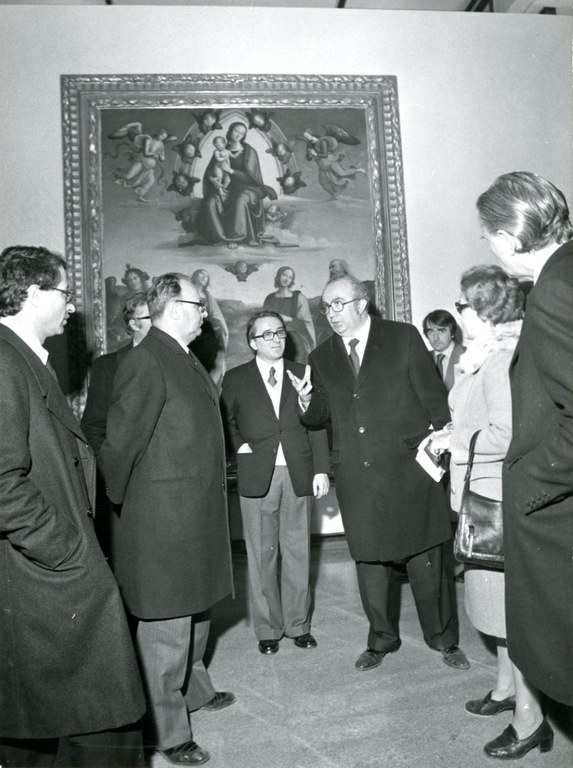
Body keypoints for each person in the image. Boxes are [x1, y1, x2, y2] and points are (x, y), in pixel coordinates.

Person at [0, 245, 145, 767]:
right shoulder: (4, 361)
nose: (71, 307)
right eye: (64, 294)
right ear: (34, 294)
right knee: (102, 718)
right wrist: (68, 551)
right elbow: (1, 483)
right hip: (47, 574)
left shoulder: (21, 358)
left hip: (45, 574)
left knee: (40, 723)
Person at [288, 273, 469, 673]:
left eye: (338, 303)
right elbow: (320, 417)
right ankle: (381, 639)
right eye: (326, 306)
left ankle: (443, 638)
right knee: (369, 561)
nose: (331, 313)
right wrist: (306, 402)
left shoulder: (402, 337)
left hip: (411, 469)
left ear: (361, 303)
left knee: (426, 558)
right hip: (357, 473)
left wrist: (445, 456)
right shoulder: (321, 357)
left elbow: (435, 401)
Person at [99, 273, 235, 767]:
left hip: (192, 517)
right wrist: (126, 510)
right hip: (164, 523)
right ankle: (167, 733)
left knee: (197, 618)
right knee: (166, 631)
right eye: (200, 305)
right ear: (175, 306)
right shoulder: (146, 359)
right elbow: (119, 447)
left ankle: (194, 692)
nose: (205, 313)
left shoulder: (180, 355)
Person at [430, 266, 552, 759]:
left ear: (484, 311)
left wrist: (451, 441)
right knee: (493, 608)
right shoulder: (481, 358)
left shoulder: (502, 361)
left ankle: (531, 718)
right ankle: (505, 689)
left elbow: (509, 434)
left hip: (495, 502)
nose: (457, 312)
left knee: (508, 613)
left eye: (462, 304)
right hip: (480, 496)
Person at [476, 171, 573, 709]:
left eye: (487, 234)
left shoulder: (554, 291)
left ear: (510, 238)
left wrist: (530, 481)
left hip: (558, 513)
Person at [221, 311, 330, 655]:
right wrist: (240, 446)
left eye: (280, 333)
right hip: (258, 474)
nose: (276, 339)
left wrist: (321, 470)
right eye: (266, 335)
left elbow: (318, 424)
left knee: (298, 553)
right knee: (261, 555)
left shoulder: (303, 374)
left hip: (298, 472)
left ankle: (299, 625)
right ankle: (268, 629)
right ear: (252, 342)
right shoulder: (236, 377)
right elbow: (226, 421)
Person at [81, 291, 151, 563]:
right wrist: (112, 471)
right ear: (133, 324)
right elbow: (93, 426)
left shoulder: (181, 362)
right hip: (123, 486)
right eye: (151, 318)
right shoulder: (107, 367)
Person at [198, 121, 277, 247]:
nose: (238, 135)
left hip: (247, 188)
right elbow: (211, 170)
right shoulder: (221, 149)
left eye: (242, 133)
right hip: (225, 186)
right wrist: (213, 180)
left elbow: (250, 178)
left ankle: (237, 237)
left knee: (240, 199)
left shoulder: (249, 152)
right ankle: (218, 237)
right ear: (230, 131)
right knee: (210, 201)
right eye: (236, 131)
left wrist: (230, 171)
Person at [263, 266, 316, 363]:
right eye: (284, 275)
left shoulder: (299, 298)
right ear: (278, 276)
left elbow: (306, 325)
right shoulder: (269, 299)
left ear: (292, 281)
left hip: (295, 341)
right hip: (273, 340)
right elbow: (263, 322)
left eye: (290, 277)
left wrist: (288, 319)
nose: (286, 279)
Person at [190, 268, 229, 388]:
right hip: (192, 330)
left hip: (205, 332)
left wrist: (218, 325)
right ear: (194, 276)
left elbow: (215, 315)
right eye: (201, 274)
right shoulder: (188, 292)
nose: (203, 277)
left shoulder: (207, 295)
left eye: (206, 276)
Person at [422, 309, 464, 392]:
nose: (436, 338)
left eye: (441, 331)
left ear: (452, 333)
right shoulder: (421, 359)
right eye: (431, 331)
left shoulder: (469, 355)